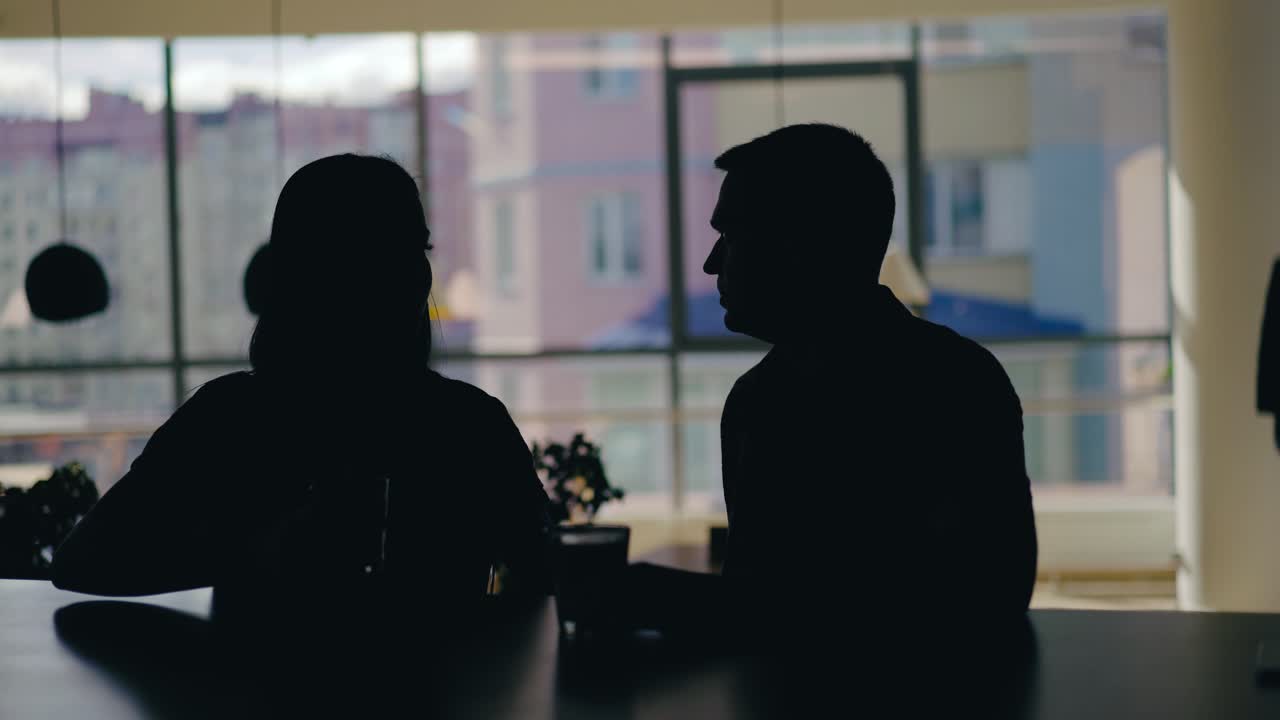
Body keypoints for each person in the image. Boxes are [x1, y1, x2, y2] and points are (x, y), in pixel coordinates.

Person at [52, 155, 550, 616]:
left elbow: (83, 560)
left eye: (417, 247)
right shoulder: (469, 424)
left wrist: (246, 551)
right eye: (385, 248)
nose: (418, 272)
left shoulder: (228, 419)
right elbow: (547, 569)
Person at [627, 124, 1037, 640]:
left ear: (797, 245)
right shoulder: (961, 380)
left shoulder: (760, 403)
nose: (712, 262)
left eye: (732, 235)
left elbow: (982, 597)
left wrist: (676, 603)